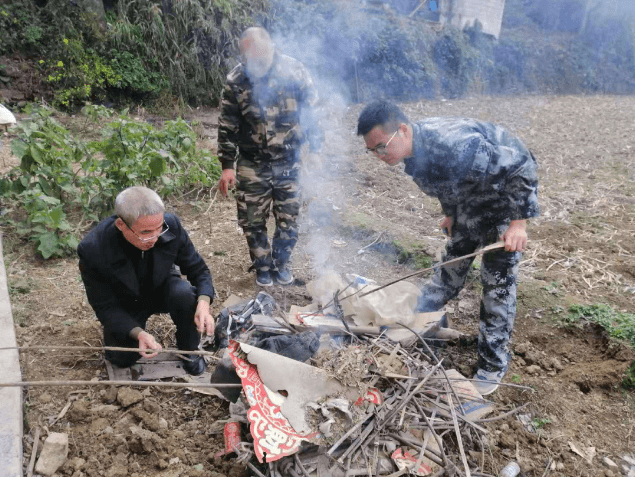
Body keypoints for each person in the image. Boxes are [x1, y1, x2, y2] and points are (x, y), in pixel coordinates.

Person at [357, 100, 539, 395]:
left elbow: (521, 164)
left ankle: (492, 366)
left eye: (381, 147)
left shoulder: (455, 144)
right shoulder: (413, 155)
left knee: (497, 287)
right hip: (470, 205)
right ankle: (421, 323)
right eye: (371, 151)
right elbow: (447, 182)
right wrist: (451, 213)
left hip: (504, 203)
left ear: (402, 131)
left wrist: (519, 223)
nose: (379, 156)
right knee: (448, 271)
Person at [217, 26, 322, 287]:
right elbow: (228, 123)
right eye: (248, 57)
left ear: (271, 47)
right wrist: (227, 166)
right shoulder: (237, 78)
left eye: (258, 57)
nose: (253, 63)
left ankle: (282, 263)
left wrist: (316, 150)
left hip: (290, 159)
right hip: (252, 162)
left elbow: (313, 113)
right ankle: (263, 266)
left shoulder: (295, 71)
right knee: (252, 219)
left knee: (289, 217)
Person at [78, 186, 215, 375]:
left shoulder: (171, 225)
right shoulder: (94, 249)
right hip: (126, 300)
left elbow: (198, 269)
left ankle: (188, 350)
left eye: (159, 228)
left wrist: (204, 303)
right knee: (121, 358)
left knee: (184, 295)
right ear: (121, 225)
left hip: (163, 286)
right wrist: (138, 333)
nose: (154, 237)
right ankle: (133, 334)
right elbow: (104, 306)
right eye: (145, 232)